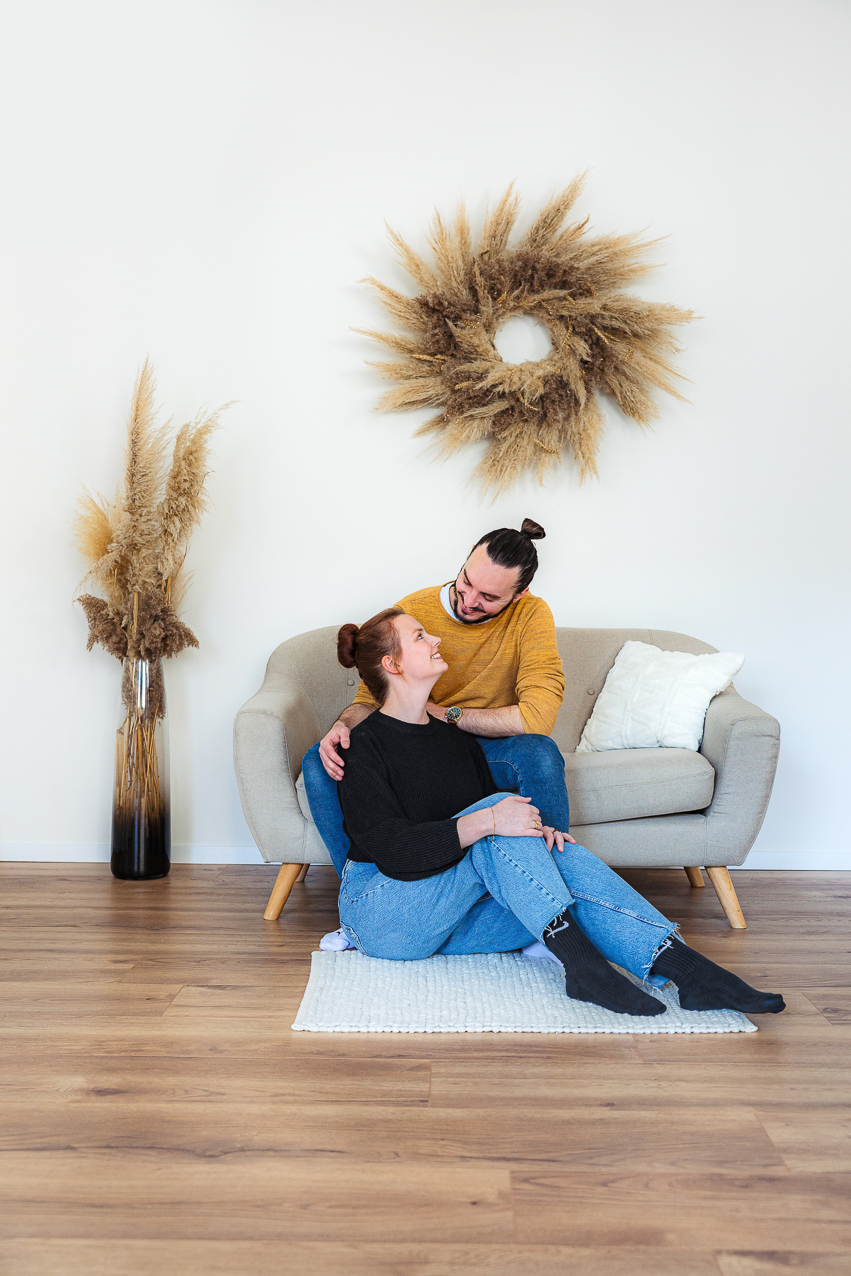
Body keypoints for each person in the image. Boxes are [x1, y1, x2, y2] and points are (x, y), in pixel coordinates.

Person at [330, 606, 785, 1018]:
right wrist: (492, 821)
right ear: (392, 665)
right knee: (496, 814)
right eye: (419, 636)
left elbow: (493, 841)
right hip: (382, 916)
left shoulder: (454, 739)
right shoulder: (364, 746)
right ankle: (583, 965)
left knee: (549, 851)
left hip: (447, 919)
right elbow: (392, 850)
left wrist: (535, 839)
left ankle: (691, 973)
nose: (436, 640)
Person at [303, 518, 569, 877]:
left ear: (518, 595)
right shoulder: (413, 609)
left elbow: (536, 719)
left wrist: (445, 713)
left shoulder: (532, 615)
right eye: (466, 582)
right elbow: (373, 693)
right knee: (320, 760)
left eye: (489, 597)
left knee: (538, 752)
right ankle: (357, 886)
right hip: (421, 744)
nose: (469, 601)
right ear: (466, 560)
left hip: (484, 746)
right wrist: (342, 726)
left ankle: (553, 881)